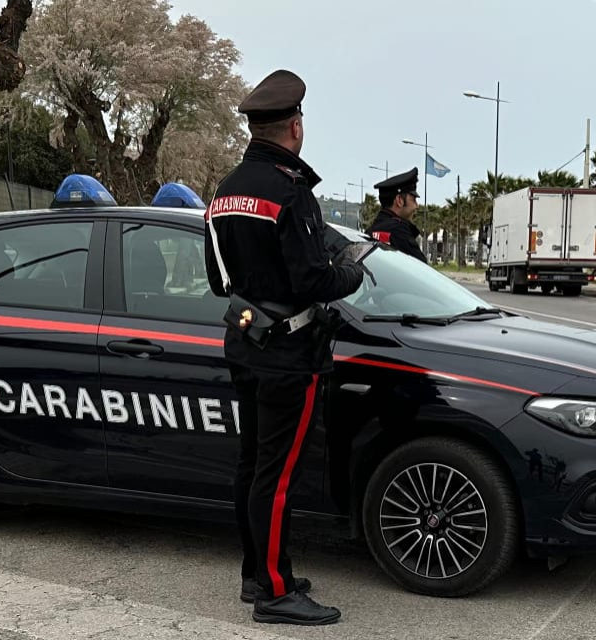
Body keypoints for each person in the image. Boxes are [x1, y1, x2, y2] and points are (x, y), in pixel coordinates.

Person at [205, 69, 365, 626]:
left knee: (253, 466)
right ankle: (275, 593)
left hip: (244, 344)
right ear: (295, 127)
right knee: (277, 474)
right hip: (288, 355)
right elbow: (313, 282)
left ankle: (258, 574)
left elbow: (216, 278)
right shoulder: (289, 191)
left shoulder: (224, 191)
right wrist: (349, 272)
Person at [367, 168, 428, 263]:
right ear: (399, 200)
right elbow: (423, 270)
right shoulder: (398, 230)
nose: (417, 206)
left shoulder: (372, 230)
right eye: (414, 200)